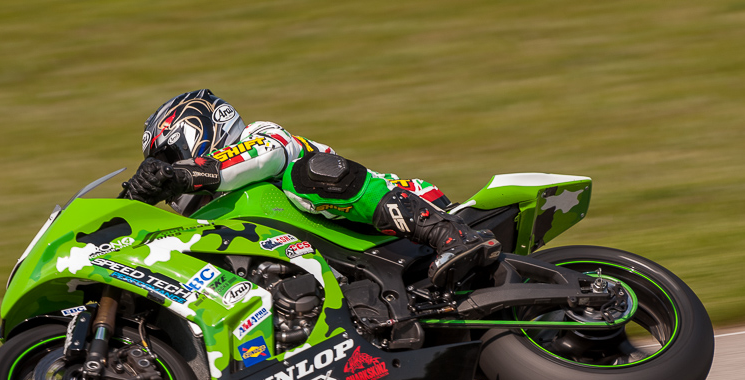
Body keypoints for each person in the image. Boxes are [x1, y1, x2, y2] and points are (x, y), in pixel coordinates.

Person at [121, 89, 501, 288]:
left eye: (169, 155)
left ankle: (450, 235)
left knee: (307, 174)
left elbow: (263, 157)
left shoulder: (261, 137)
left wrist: (181, 175)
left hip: (396, 220)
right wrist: (132, 202)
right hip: (348, 266)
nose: (166, 169)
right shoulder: (212, 215)